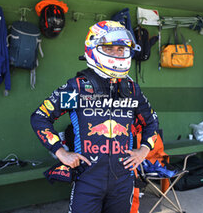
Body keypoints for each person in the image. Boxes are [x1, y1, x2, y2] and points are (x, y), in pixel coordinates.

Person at [30, 20, 159, 213]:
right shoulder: (80, 88)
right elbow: (40, 117)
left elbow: (151, 121)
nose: (117, 53)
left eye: (121, 49)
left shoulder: (131, 89)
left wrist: (143, 150)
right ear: (93, 49)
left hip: (123, 181)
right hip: (88, 180)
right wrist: (61, 152)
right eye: (111, 48)